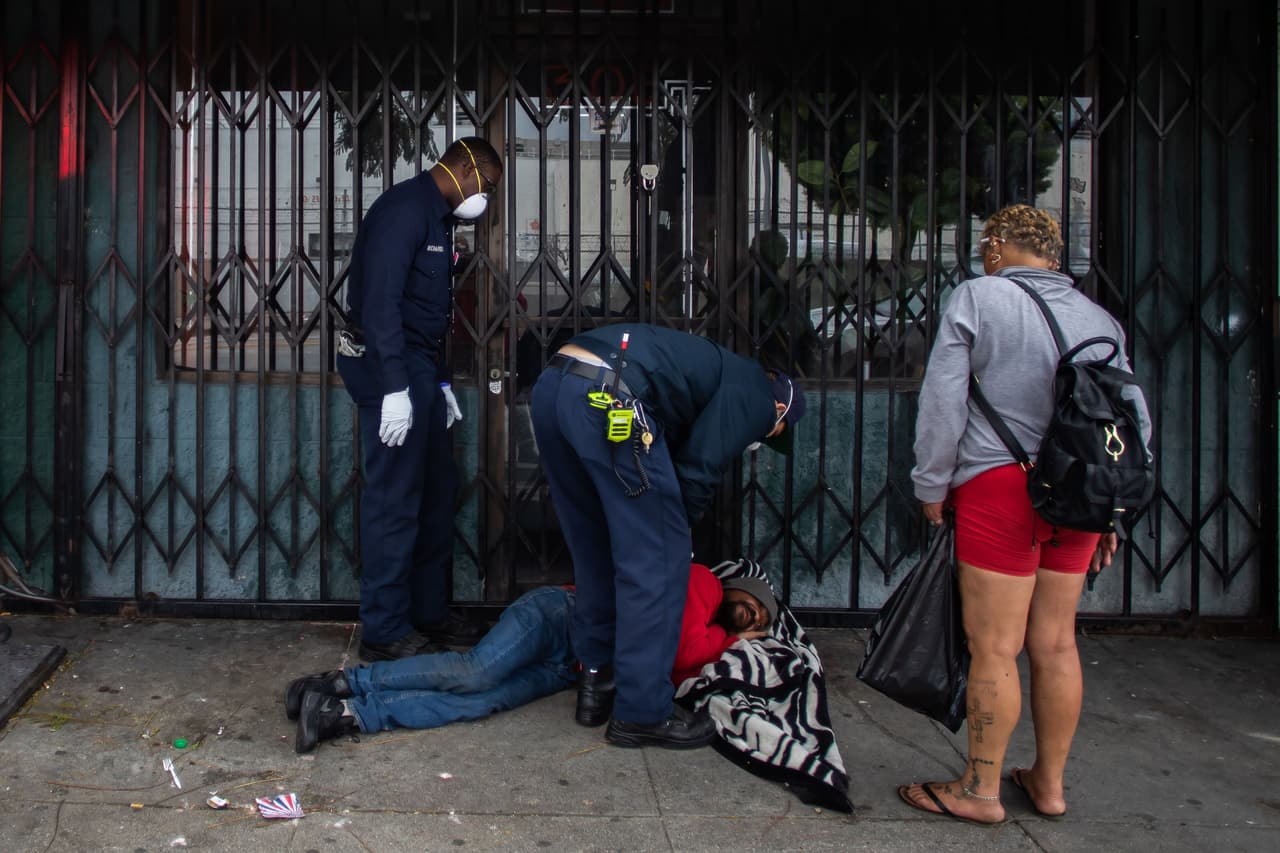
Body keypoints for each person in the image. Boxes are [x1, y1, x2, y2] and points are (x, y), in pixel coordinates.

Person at [899, 204, 1152, 824]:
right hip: (1082, 496)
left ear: (996, 248)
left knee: (994, 646)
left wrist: (931, 483)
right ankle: (1048, 784)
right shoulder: (1099, 319)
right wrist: (1112, 513)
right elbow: (1133, 421)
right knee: (1057, 643)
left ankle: (980, 791)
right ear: (1055, 256)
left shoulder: (980, 298)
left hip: (1001, 489)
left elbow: (942, 400)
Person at [529, 323, 805, 749]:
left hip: (555, 387)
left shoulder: (711, 369)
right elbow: (699, 466)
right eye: (773, 435)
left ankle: (597, 682)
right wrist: (677, 531)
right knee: (657, 561)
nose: (763, 439)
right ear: (782, 410)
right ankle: (642, 712)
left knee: (595, 547)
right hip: (611, 397)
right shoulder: (757, 395)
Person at [285, 564, 778, 753]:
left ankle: (343, 716)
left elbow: (672, 671)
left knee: (482, 702)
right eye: (753, 608)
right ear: (739, 589)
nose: (749, 618)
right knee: (476, 672)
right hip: (560, 615)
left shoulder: (718, 636)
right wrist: (738, 639)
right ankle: (343, 681)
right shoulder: (703, 583)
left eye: (756, 621)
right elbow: (681, 649)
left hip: (570, 666)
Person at [336, 137, 503, 661]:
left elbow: (430, 310)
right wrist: (394, 388)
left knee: (435, 491)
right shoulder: (403, 210)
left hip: (421, 368)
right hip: (390, 366)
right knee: (395, 496)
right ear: (466, 170)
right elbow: (380, 304)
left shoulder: (440, 220)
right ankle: (385, 630)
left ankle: (428, 612)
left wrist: (443, 381)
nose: (487, 198)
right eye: (488, 186)